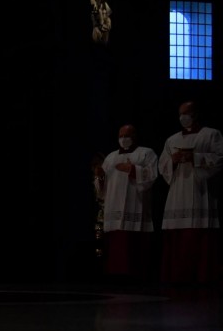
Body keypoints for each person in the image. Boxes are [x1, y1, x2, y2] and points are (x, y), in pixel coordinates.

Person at [158, 101, 223, 284]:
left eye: (186, 113)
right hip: (177, 191)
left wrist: (194, 157)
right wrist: (173, 160)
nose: (182, 117)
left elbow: (220, 158)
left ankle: (202, 277)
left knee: (200, 236)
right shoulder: (172, 140)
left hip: (200, 191)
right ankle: (178, 277)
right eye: (180, 114)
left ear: (196, 113)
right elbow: (162, 165)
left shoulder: (211, 134)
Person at [95, 124, 159, 281]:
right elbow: (102, 188)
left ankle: (136, 275)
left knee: (134, 246)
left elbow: (152, 175)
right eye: (121, 136)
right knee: (116, 244)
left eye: (127, 135)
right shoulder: (110, 157)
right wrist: (100, 177)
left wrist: (132, 170)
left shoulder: (146, 153)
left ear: (135, 136)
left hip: (135, 203)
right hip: (114, 205)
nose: (123, 139)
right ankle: (115, 275)